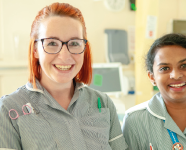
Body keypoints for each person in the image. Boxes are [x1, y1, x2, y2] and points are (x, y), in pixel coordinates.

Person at [0, 3, 127, 150]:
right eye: (52, 43)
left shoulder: (103, 103)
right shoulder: (9, 109)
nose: (65, 56)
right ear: (35, 49)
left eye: (74, 43)